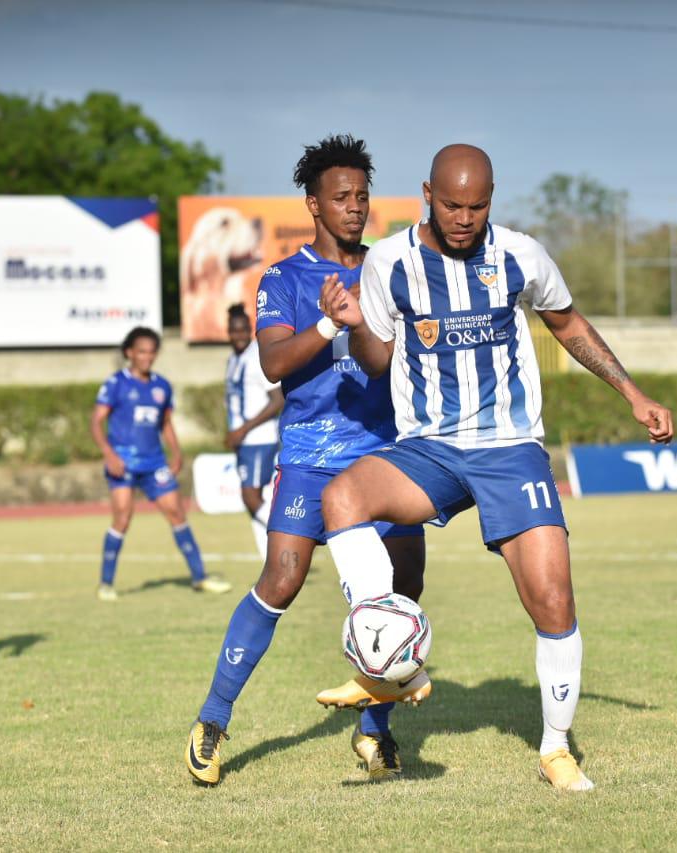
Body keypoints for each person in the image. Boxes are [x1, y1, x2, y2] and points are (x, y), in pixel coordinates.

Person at [317, 144, 675, 791]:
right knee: (342, 496)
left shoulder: (519, 254)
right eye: (452, 204)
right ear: (427, 193)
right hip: (427, 446)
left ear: (492, 199)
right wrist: (351, 325)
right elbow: (374, 358)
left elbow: (567, 323)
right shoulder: (389, 263)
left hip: (510, 447)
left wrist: (633, 392)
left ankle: (557, 748)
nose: (463, 217)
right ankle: (386, 659)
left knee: (554, 596)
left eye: (476, 206)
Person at [186, 135, 428, 788]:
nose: (355, 207)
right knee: (282, 580)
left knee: (404, 589)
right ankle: (213, 717)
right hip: (311, 459)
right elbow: (271, 363)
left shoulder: (389, 270)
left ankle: (375, 732)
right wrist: (327, 325)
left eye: (362, 196)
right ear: (313, 204)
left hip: (385, 462)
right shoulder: (283, 279)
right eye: (342, 197)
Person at [90, 327, 231, 600]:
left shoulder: (161, 386)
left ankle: (199, 577)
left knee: (177, 513)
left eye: (152, 351)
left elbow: (165, 424)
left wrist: (176, 453)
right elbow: (96, 422)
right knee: (122, 517)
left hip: (154, 463)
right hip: (123, 462)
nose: (147, 356)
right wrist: (109, 454)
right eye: (141, 351)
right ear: (129, 353)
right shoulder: (115, 384)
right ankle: (106, 584)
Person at [223, 304, 284, 562]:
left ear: (250, 330)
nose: (237, 335)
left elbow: (277, 400)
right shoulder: (233, 360)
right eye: (233, 330)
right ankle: (270, 562)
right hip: (244, 441)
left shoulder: (256, 357)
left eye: (242, 330)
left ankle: (291, 536)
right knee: (254, 501)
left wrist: (243, 430)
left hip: (259, 438)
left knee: (250, 498)